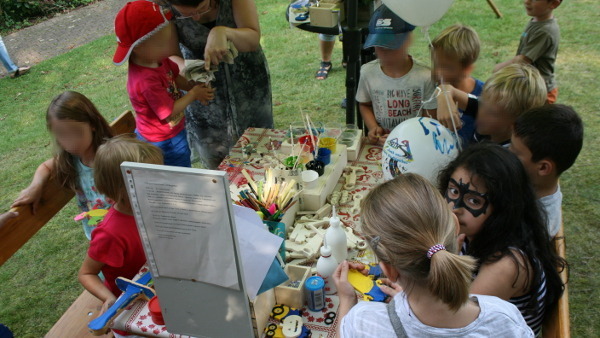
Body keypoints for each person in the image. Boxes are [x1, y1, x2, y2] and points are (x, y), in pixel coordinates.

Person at [333, 174, 534, 337]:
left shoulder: (364, 323)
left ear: (388, 269)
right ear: (456, 230)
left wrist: (347, 300)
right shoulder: (504, 318)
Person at [438, 143, 566, 335]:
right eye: (454, 191)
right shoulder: (473, 230)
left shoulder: (507, 265)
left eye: (474, 201)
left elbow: (454, 324)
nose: (455, 208)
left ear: (502, 209)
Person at [160, 0, 274, 169]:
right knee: (218, 168)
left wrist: (223, 32)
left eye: (203, 8)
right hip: (203, 93)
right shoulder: (162, 4)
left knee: (261, 157)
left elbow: (252, 40)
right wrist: (186, 69)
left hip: (248, 85)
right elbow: (169, 56)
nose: (197, 17)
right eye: (187, 14)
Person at [78, 135, 163, 336]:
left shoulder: (150, 205)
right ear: (122, 189)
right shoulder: (110, 233)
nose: (159, 181)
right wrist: (108, 299)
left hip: (158, 292)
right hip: (130, 312)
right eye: (150, 178)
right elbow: (86, 273)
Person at [114, 0, 214, 168]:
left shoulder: (158, 59)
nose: (169, 43)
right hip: (162, 142)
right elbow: (168, 112)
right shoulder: (146, 81)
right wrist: (193, 94)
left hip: (172, 131)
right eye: (162, 41)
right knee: (179, 172)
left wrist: (193, 87)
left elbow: (174, 78)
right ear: (139, 47)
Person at [12, 91, 113, 240]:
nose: (70, 143)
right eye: (62, 135)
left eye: (75, 133)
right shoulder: (71, 158)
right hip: (97, 236)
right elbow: (45, 167)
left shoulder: (113, 155)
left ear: (93, 124)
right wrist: (35, 186)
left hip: (122, 233)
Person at [356, 5, 437, 146]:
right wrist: (374, 128)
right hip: (381, 146)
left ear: (408, 40)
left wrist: (404, 140)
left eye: (391, 45)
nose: (384, 52)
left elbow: (429, 123)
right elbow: (365, 104)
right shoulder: (367, 72)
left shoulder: (425, 76)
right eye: (379, 46)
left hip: (415, 145)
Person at [510, 104, 584, 238]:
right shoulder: (527, 177)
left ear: (543, 168)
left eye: (515, 152)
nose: (507, 153)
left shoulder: (536, 225)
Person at [436, 63, 546, 146]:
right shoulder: (490, 107)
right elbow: (446, 89)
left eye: (492, 113)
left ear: (516, 124)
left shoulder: (506, 159)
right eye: (482, 101)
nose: (481, 112)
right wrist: (444, 101)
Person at [494, 0, 562, 103]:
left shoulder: (545, 31)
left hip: (541, 92)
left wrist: (499, 69)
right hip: (530, 86)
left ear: (553, 4)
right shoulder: (537, 20)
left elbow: (523, 60)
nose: (527, 1)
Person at [431, 24, 483, 146]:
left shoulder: (485, 97)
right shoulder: (431, 89)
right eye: (435, 64)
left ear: (467, 68)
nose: (437, 72)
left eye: (446, 67)